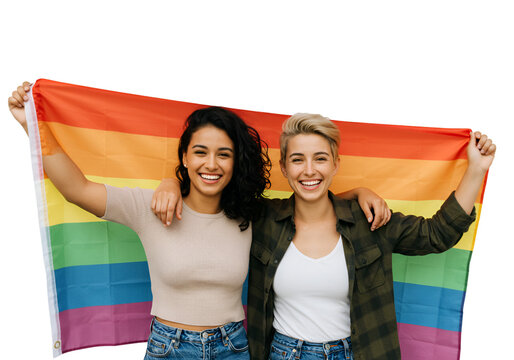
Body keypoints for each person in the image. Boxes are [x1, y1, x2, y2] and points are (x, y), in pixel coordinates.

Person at [8, 82, 391, 360]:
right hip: (169, 348)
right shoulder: (151, 208)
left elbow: (310, 203)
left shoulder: (251, 216)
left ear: (234, 162)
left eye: (223, 154)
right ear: (185, 158)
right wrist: (32, 126)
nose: (211, 164)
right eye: (200, 152)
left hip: (234, 348)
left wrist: (356, 193)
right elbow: (77, 189)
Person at [246, 113, 495, 360]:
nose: (309, 170)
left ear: (335, 164)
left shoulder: (369, 221)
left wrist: (476, 169)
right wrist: (357, 191)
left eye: (320, 159)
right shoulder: (264, 220)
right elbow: (217, 205)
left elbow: (437, 234)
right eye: (297, 160)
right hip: (284, 353)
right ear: (284, 167)